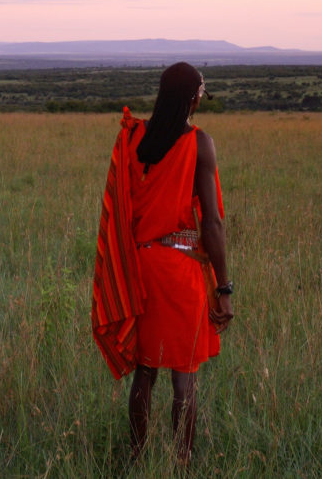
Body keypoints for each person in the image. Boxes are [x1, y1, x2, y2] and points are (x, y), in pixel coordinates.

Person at [91, 62, 233, 464]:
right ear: (191, 97)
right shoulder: (199, 143)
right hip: (180, 270)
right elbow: (213, 225)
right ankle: (183, 463)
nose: (202, 99)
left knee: (145, 372)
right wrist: (223, 289)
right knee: (183, 378)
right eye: (201, 92)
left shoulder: (133, 137)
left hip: (140, 267)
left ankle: (136, 457)